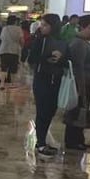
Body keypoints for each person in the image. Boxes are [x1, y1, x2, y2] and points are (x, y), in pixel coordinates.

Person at [28, 14, 67, 156]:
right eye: (41, 25)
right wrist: (48, 55)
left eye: (45, 25)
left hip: (56, 80)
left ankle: (43, 139)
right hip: (42, 80)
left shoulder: (62, 41)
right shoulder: (40, 40)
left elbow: (67, 60)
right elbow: (31, 58)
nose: (42, 27)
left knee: (51, 111)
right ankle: (40, 143)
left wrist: (61, 58)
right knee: (42, 111)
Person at [63, 15, 90, 151]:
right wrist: (81, 88)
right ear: (82, 28)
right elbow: (78, 67)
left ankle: (79, 139)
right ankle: (72, 141)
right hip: (81, 85)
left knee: (81, 111)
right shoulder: (79, 44)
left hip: (87, 84)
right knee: (77, 111)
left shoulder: (86, 42)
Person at [0, 15, 23, 88]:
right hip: (14, 50)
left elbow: (1, 38)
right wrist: (21, 46)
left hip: (4, 50)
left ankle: (2, 84)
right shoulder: (18, 29)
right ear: (15, 21)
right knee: (13, 68)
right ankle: (12, 84)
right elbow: (21, 40)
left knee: (3, 68)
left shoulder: (4, 29)